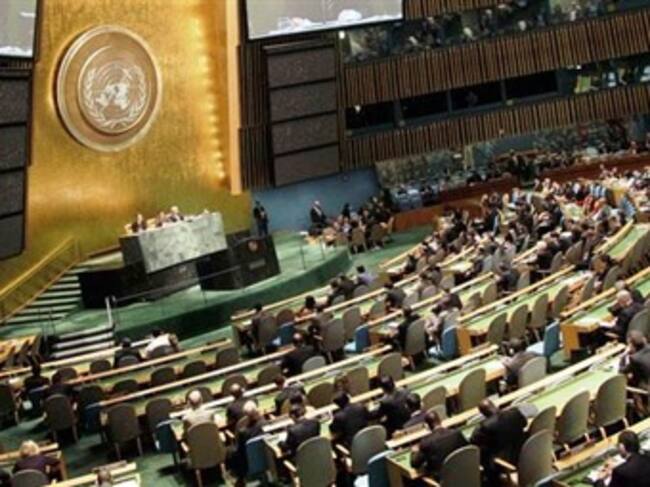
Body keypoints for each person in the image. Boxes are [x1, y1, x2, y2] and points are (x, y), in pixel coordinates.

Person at [470, 399, 527, 486]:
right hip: (524, 454)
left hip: (504, 463)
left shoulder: (485, 427)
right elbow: (524, 423)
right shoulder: (514, 413)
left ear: (483, 414)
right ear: (494, 405)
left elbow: (474, 442)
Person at [410, 411, 468, 476]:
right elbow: (468, 449)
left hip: (443, 478)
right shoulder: (456, 433)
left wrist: (414, 452)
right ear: (440, 421)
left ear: (427, 426)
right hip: (463, 473)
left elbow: (415, 464)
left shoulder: (426, 442)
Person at [227, 401, 266, 485]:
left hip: (249, 463)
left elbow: (240, 451)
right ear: (257, 411)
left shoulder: (243, 433)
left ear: (246, 415)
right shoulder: (265, 424)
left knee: (231, 452)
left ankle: (239, 479)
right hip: (266, 458)